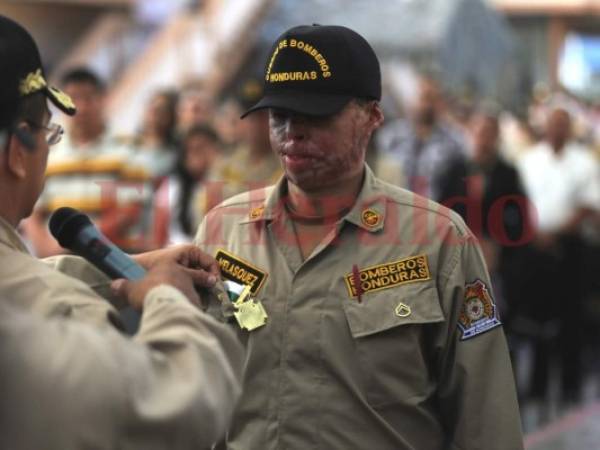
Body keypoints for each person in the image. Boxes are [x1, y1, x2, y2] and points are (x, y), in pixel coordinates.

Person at [195, 24, 523, 449]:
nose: (293, 132)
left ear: (372, 117)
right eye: (280, 116)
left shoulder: (438, 241)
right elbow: (195, 388)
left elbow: (485, 416)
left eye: (316, 116)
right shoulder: (224, 231)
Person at [0, 15, 243, 448]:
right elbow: (183, 401)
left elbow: (18, 273)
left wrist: (138, 265)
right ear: (19, 151)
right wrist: (166, 298)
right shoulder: (55, 317)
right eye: (48, 133)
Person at [21, 67, 154, 255]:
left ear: (103, 100)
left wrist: (77, 241)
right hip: (55, 258)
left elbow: (130, 211)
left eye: (89, 98)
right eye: (73, 98)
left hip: (112, 257)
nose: (81, 107)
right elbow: (32, 210)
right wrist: (46, 248)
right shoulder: (48, 149)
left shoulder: (129, 147)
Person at [517, 107, 600, 404]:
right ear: (545, 127)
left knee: (571, 317)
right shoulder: (529, 160)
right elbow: (518, 200)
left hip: (571, 247)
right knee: (536, 318)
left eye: (562, 125)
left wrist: (558, 232)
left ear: (569, 129)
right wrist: (536, 234)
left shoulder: (583, 162)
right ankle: (537, 386)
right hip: (535, 246)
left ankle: (570, 384)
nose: (557, 130)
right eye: (552, 124)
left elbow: (590, 204)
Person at [377, 73, 466, 200]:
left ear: (441, 103)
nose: (427, 105)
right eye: (423, 98)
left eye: (433, 98)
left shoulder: (455, 143)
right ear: (412, 100)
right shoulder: (391, 137)